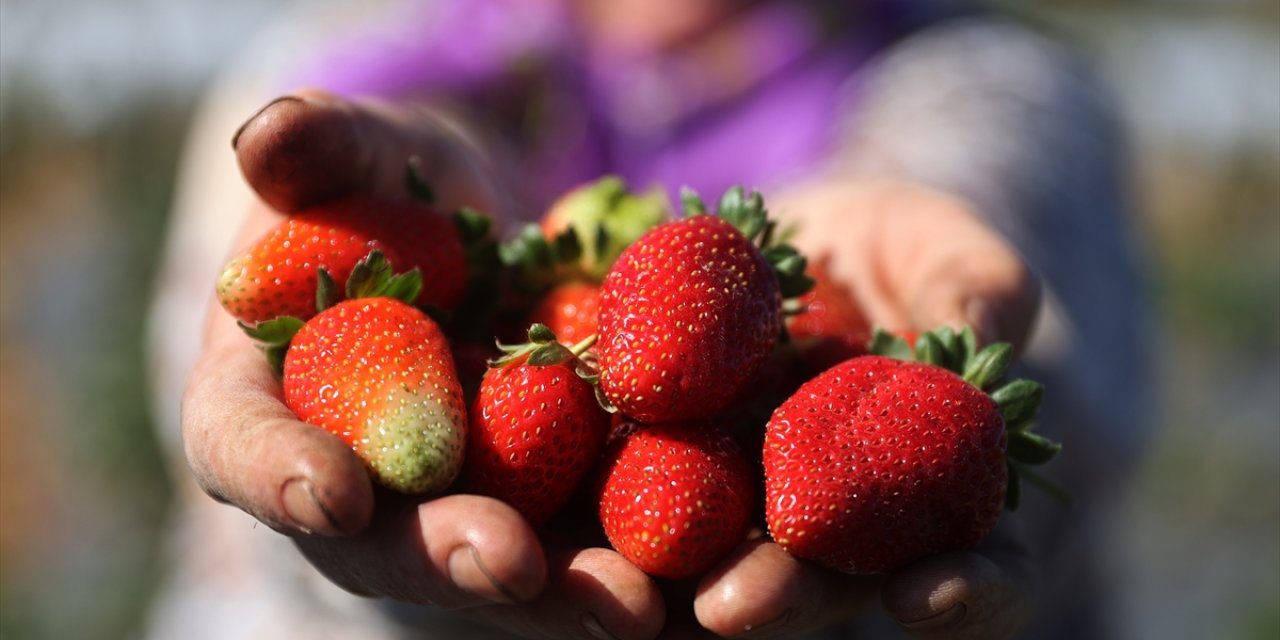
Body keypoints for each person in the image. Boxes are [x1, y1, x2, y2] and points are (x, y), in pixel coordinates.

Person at [146, 1, 1150, 638]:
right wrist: (397, 218)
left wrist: (939, 394)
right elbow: (237, 528)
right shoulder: (342, 56)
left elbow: (985, 188)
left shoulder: (987, 82)